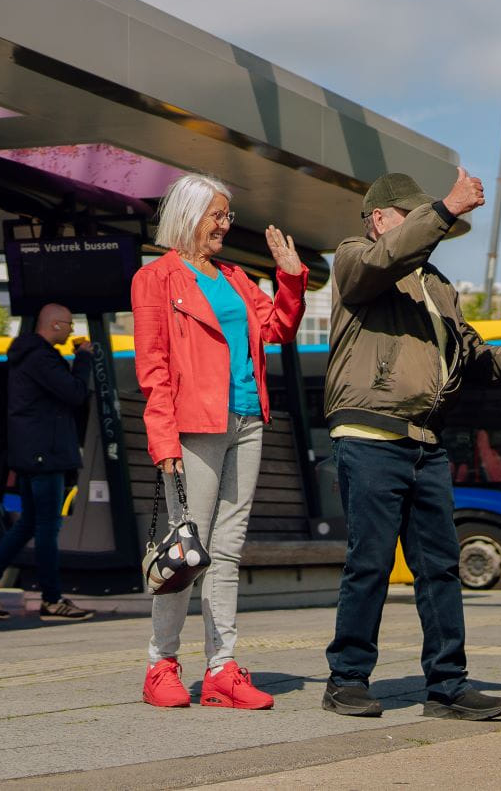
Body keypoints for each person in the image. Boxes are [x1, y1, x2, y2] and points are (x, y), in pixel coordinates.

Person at [321, 168, 501, 721]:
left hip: (424, 439)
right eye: (415, 217)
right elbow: (385, 261)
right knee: (371, 560)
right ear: (381, 218)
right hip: (369, 433)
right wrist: (447, 207)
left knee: (440, 565)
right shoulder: (354, 256)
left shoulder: (435, 285)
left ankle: (447, 687)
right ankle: (346, 679)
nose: (428, 228)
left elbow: (476, 356)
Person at [130, 172, 309, 711]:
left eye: (228, 215)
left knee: (226, 552)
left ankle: (221, 670)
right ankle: (161, 665)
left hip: (247, 420)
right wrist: (163, 441)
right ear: (188, 214)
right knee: (188, 548)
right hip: (193, 425)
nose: (225, 225)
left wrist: (291, 276)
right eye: (218, 215)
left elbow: (276, 329)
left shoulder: (233, 276)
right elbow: (153, 368)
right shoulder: (156, 279)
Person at [0, 303, 96, 623]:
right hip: (44, 455)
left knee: (26, 526)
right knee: (49, 528)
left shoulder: (28, 356)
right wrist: (85, 358)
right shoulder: (41, 357)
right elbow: (75, 394)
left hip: (30, 453)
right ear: (53, 325)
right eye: (68, 325)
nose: (71, 331)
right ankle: (52, 600)